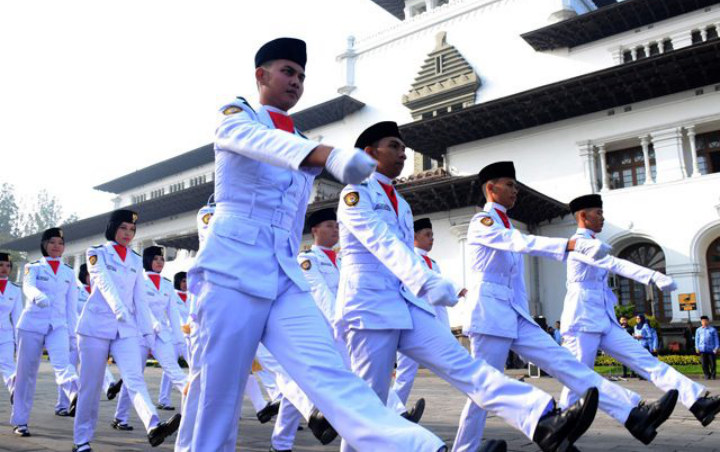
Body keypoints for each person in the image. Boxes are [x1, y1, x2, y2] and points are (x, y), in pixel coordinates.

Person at [181, 34, 530, 451]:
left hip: (284, 278)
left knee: (334, 377)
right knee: (215, 397)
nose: (295, 81)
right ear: (262, 75)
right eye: (287, 72)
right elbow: (253, 142)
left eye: (301, 76)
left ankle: (421, 448)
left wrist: (320, 152)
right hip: (232, 274)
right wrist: (325, 154)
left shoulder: (301, 135)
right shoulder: (239, 114)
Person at [338, 122, 601, 452]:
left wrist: (436, 284)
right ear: (369, 153)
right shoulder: (355, 195)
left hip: (404, 303)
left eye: (405, 148)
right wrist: (427, 282)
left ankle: (541, 416)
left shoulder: (402, 204)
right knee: (368, 404)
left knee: (464, 365)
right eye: (394, 146)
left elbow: (405, 252)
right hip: (370, 307)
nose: (403, 153)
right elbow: (382, 244)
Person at [453, 163, 678, 452]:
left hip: (515, 313)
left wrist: (528, 315)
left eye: (515, 185)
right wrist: (571, 245)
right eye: (509, 184)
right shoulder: (482, 223)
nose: (515, 190)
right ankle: (465, 448)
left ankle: (633, 414)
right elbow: (519, 243)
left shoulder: (505, 223)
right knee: (482, 389)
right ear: (491, 188)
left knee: (566, 363)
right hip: (489, 315)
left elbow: (516, 282)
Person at [558, 193, 720, 429]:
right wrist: (652, 276)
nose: (603, 218)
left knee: (646, 360)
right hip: (582, 321)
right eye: (598, 213)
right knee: (577, 377)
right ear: (583, 216)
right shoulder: (580, 243)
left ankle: (696, 401)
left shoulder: (594, 243)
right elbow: (614, 264)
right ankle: (560, 424)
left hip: (604, 319)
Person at [72, 210, 180, 452]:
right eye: (123, 228)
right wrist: (118, 308)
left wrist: (149, 337)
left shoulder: (134, 260)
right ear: (113, 228)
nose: (127, 234)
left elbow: (140, 302)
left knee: (134, 378)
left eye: (131, 230)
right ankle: (81, 440)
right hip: (95, 327)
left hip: (125, 329)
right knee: (90, 386)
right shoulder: (96, 252)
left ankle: (153, 426)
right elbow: (102, 281)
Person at [12, 227, 80, 437]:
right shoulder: (33, 267)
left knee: (63, 364)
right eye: (52, 242)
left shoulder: (69, 273)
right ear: (44, 245)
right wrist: (37, 296)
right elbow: (28, 287)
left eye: (60, 243)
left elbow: (71, 306)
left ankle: (75, 394)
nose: (56, 246)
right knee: (26, 374)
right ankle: (20, 421)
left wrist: (72, 334)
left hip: (58, 325)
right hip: (32, 324)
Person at [112, 246, 188, 431]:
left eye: (162, 259)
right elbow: (139, 306)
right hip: (138, 334)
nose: (160, 262)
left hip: (161, 335)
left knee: (175, 371)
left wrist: (178, 338)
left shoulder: (167, 284)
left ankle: (194, 412)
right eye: (155, 259)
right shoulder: (138, 281)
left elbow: (173, 312)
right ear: (147, 261)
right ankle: (120, 418)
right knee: (134, 376)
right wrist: (151, 322)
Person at [392, 217, 463, 406]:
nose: (432, 239)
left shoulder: (433, 263)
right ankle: (394, 412)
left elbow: (438, 293)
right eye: (427, 235)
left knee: (449, 364)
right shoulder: (410, 259)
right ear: (415, 236)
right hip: (412, 322)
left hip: (431, 323)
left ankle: (396, 412)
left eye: (432, 235)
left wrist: (444, 327)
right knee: (406, 371)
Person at [56, 264, 122, 416]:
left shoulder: (103, 293)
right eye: (89, 274)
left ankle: (110, 386)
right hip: (73, 334)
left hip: (91, 335)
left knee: (97, 364)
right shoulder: (76, 291)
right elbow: (69, 311)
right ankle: (62, 405)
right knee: (69, 367)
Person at [157, 271, 191, 410]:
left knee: (195, 365)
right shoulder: (172, 295)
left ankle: (193, 396)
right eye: (183, 281)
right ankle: (164, 400)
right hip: (172, 336)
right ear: (177, 282)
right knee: (169, 368)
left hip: (187, 338)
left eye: (187, 281)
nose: (185, 284)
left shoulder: (192, 297)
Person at [0, 252, 22, 397]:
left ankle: (15, 392)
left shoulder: (15, 289)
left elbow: (17, 317)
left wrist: (19, 342)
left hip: (5, 335)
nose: (4, 268)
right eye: (1, 265)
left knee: (8, 365)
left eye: (8, 266)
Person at [695, 316, 718, 380]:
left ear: (708, 321)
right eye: (702, 321)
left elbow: (716, 339)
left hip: (711, 349)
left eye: (705, 321)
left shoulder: (712, 330)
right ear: (701, 322)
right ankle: (707, 375)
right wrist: (697, 347)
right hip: (702, 349)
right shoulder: (698, 330)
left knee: (712, 364)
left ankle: (713, 375)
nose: (704, 322)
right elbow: (697, 340)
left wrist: (716, 347)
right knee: (704, 364)